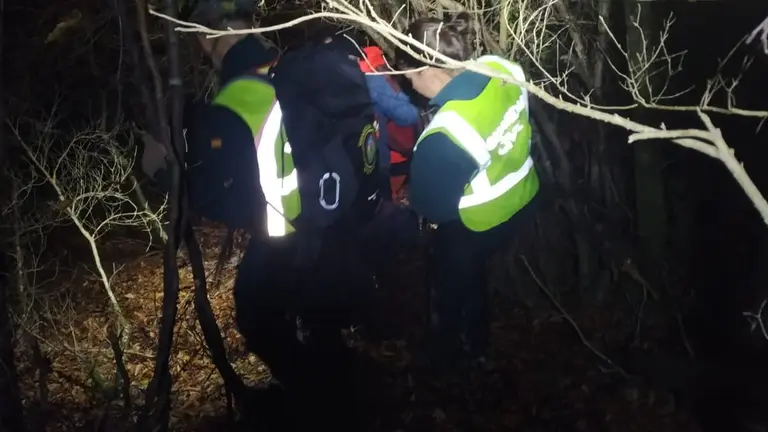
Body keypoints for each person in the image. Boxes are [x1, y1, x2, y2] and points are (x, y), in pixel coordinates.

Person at [142, 4, 384, 430]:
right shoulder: (288, 68)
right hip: (337, 223)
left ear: (207, 38)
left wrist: (163, 171)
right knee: (318, 317)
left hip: (287, 238)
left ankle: (316, 403)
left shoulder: (238, 96)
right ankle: (344, 384)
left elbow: (220, 201)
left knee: (256, 315)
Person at [396, 12, 541, 373]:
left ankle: (446, 357)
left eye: (411, 77)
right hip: (524, 195)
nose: (411, 87)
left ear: (429, 70)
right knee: (472, 274)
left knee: (449, 286)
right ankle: (478, 345)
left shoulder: (447, 132)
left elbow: (434, 209)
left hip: (479, 222)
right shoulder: (502, 67)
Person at [357, 45, 422, 200]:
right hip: (389, 160)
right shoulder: (374, 76)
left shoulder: (359, 75)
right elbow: (410, 115)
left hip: (367, 160)